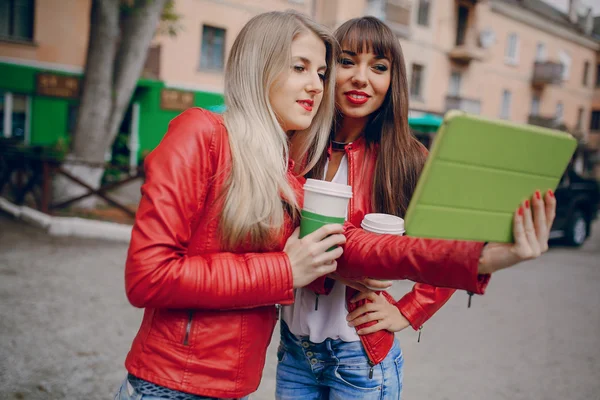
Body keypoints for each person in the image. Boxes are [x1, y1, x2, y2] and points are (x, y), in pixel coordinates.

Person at [276, 16, 556, 399]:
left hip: (359, 357)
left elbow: (451, 241)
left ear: (393, 81)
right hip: (294, 352)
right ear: (326, 70)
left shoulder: (406, 158)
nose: (361, 78)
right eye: (347, 61)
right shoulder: (295, 144)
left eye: (379, 67)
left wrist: (410, 310)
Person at [114, 10, 346, 400]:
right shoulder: (202, 134)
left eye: (321, 74)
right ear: (259, 68)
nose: (316, 86)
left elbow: (340, 249)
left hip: (233, 389)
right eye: (299, 67)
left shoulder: (285, 173)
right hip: (169, 387)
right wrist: (284, 269)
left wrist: (465, 260)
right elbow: (148, 276)